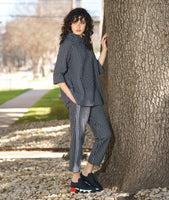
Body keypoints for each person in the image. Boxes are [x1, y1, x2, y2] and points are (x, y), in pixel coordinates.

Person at [53, 8, 112, 193]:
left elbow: (96, 69)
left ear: (86, 24)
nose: (78, 25)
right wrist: (73, 98)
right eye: (75, 22)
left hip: (93, 98)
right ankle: (75, 180)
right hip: (78, 99)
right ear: (69, 24)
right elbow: (58, 76)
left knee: (105, 135)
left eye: (82, 22)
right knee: (78, 139)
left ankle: (87, 172)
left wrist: (104, 50)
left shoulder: (85, 44)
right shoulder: (67, 44)